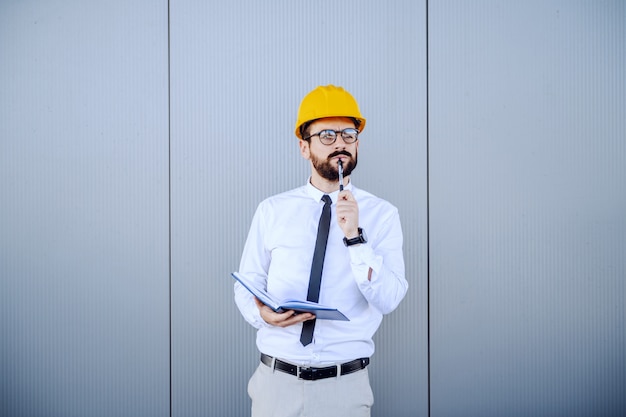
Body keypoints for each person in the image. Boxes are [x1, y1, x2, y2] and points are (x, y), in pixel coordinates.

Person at [234, 85, 408, 417]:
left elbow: (389, 298)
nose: (340, 142)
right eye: (327, 134)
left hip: (345, 388)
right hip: (276, 385)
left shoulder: (383, 214)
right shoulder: (272, 211)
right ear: (304, 147)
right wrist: (262, 315)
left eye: (348, 133)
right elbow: (246, 284)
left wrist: (355, 237)